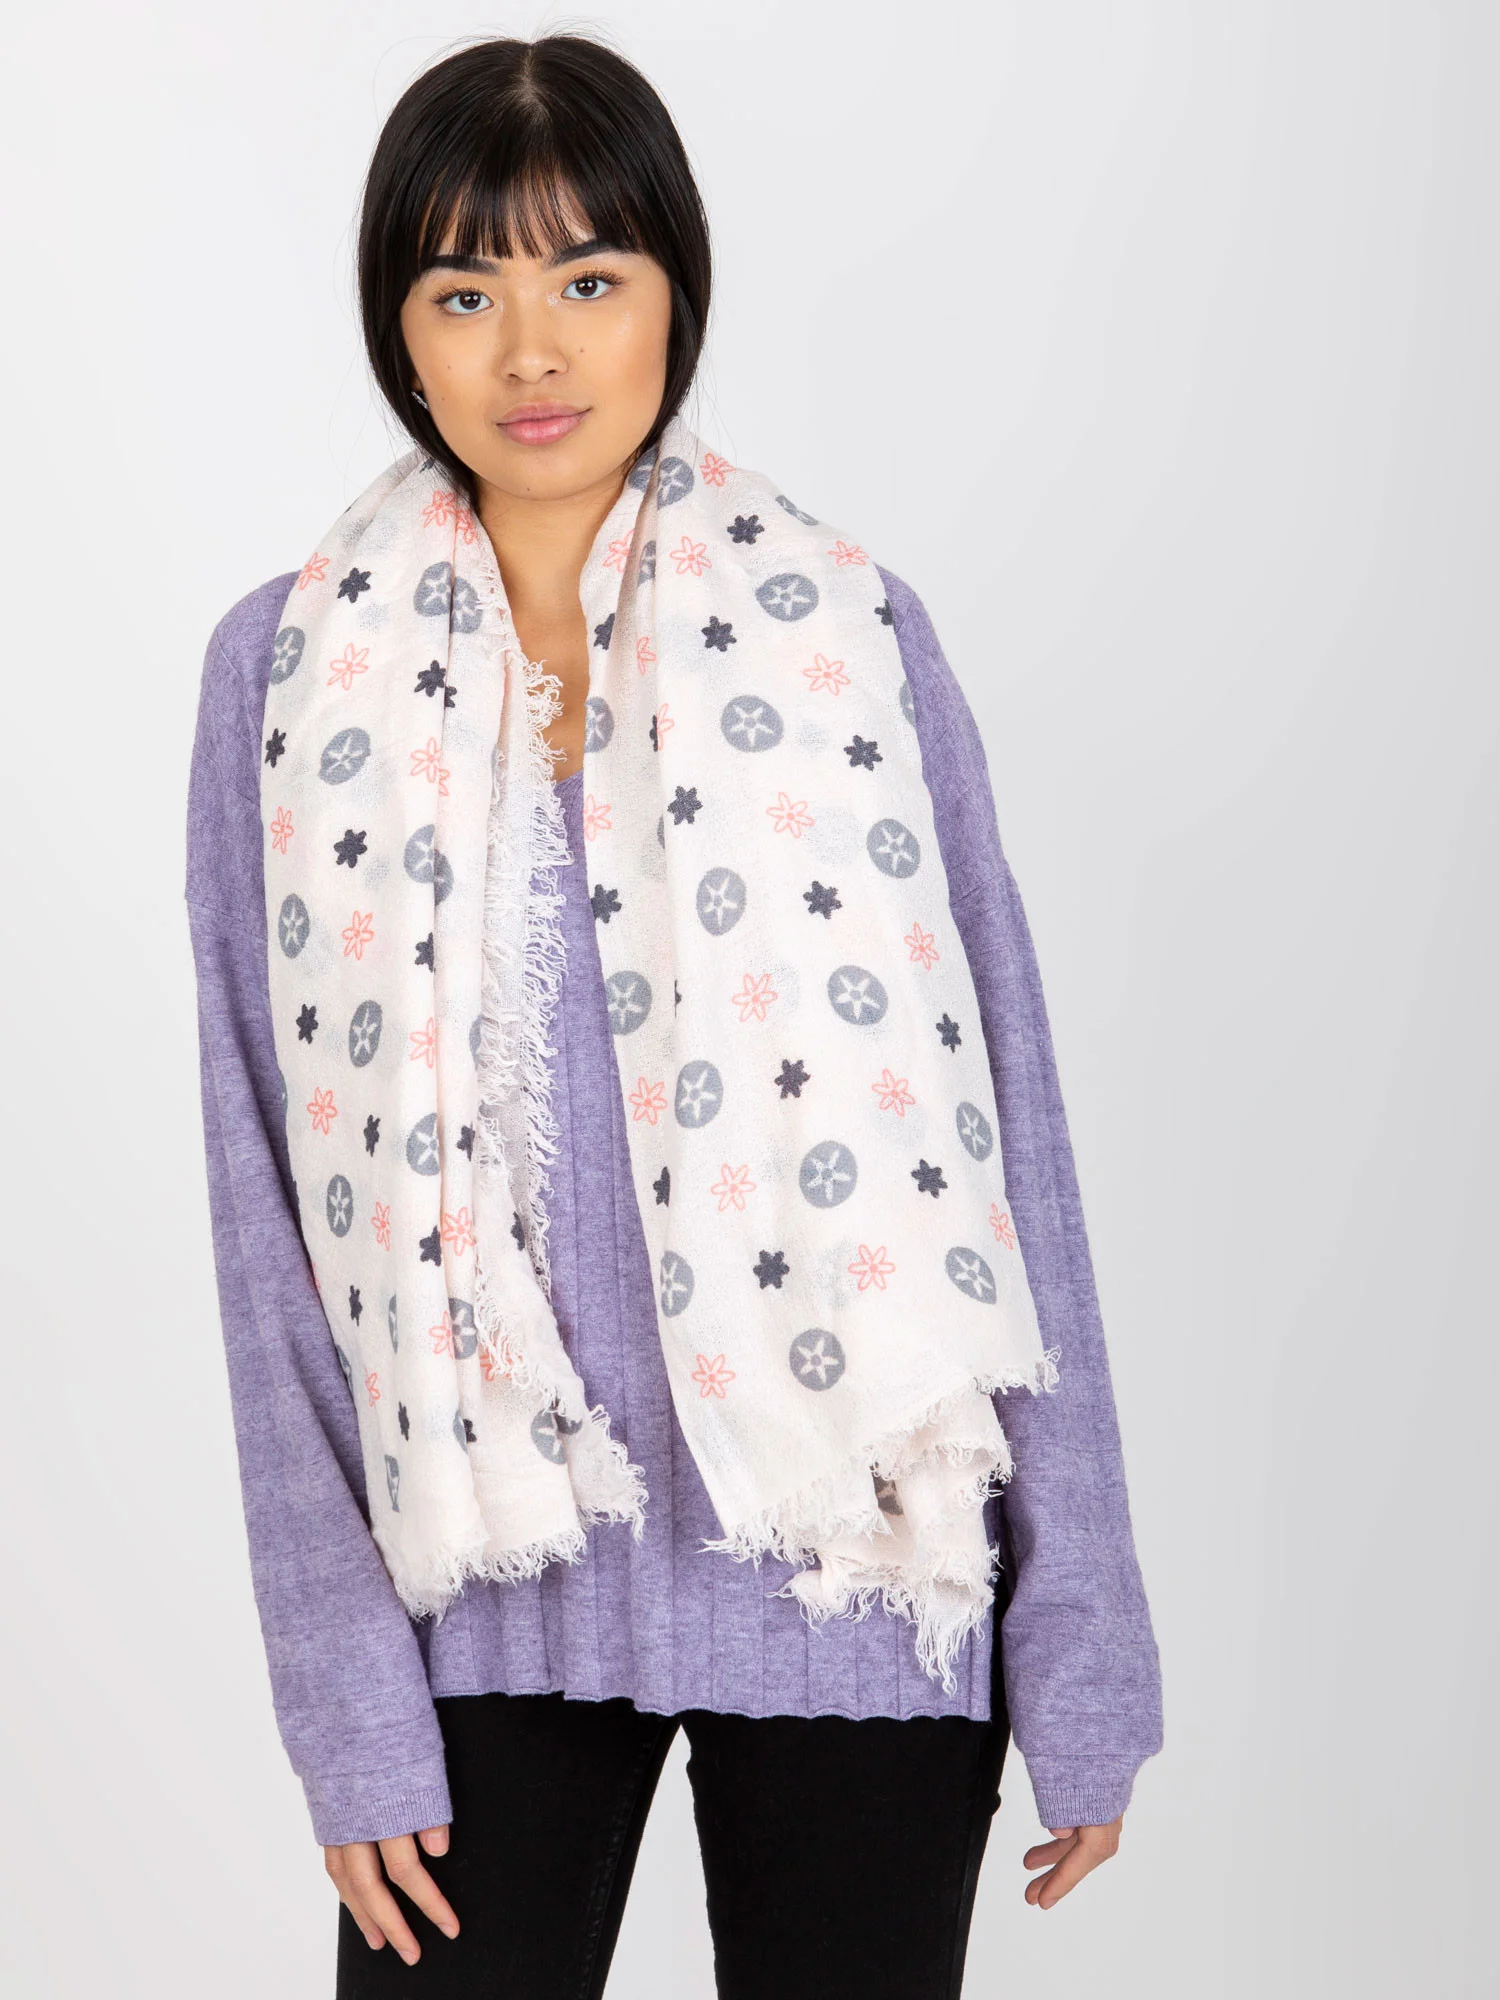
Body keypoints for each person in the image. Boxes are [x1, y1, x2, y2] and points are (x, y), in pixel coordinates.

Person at [184, 32, 1162, 1999]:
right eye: (465, 291)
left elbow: (1011, 1136)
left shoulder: (853, 635)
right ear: (398, 327)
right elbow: (265, 1207)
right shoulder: (286, 672)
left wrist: (1083, 1635)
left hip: (857, 1569)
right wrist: (344, 1695)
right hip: (487, 1577)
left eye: (589, 277)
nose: (533, 350)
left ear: (673, 295)